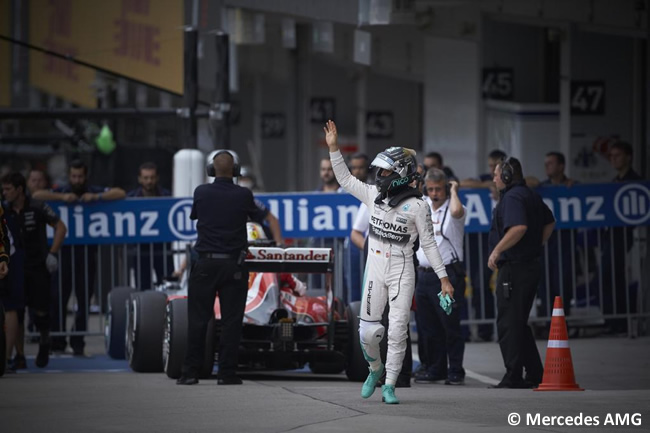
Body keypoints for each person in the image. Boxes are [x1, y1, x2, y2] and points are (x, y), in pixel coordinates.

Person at [325, 120, 453, 404]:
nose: (378, 175)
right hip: (375, 269)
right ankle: (375, 369)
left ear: (400, 173)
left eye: (384, 170)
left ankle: (390, 385)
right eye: (379, 170)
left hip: (402, 271)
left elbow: (430, 244)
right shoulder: (372, 195)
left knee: (397, 330)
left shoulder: (419, 206)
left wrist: (444, 279)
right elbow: (345, 180)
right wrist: (334, 148)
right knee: (367, 332)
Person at [176, 151, 268, 386]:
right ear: (236, 171)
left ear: (210, 170)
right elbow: (260, 216)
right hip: (233, 266)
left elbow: (195, 216)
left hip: (205, 263)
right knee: (231, 321)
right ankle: (226, 374)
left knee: (198, 320)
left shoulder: (201, 192)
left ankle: (189, 373)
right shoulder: (244, 194)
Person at [33, 160, 125, 355]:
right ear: (69, 176)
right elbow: (37, 195)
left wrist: (97, 196)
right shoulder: (62, 189)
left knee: (84, 299)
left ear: (86, 176)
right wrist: (61, 197)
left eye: (80, 176)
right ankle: (57, 341)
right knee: (58, 298)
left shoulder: (92, 189)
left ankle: (78, 342)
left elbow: (120, 193)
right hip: (64, 253)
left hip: (86, 254)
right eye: (74, 176)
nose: (77, 180)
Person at [487, 157, 555, 389]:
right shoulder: (529, 194)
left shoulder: (513, 197)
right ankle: (535, 373)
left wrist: (497, 250)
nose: (494, 178)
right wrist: (536, 245)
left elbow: (519, 227)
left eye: (496, 174)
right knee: (518, 322)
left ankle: (513, 375)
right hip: (528, 265)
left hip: (515, 268)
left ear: (506, 176)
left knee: (508, 323)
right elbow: (549, 222)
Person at [2, 173, 67, 369]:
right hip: (16, 266)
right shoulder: (5, 210)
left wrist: (52, 253)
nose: (4, 193)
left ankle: (44, 343)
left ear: (19, 189)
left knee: (40, 312)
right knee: (17, 313)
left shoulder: (37, 206)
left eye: (8, 189)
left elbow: (60, 227)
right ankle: (19, 355)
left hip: (38, 265)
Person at [414, 168, 467, 385]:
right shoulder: (424, 205)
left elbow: (457, 212)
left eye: (439, 189)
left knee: (450, 324)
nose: (435, 193)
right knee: (428, 327)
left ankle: (456, 369)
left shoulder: (453, 208)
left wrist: (454, 191)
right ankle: (436, 368)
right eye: (432, 189)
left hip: (447, 275)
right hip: (424, 275)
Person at [127, 162, 174, 290]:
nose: (149, 181)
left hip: (163, 248)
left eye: (152, 177)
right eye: (146, 178)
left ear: (157, 178)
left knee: (167, 285)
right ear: (139, 179)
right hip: (140, 248)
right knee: (142, 287)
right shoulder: (131, 198)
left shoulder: (167, 196)